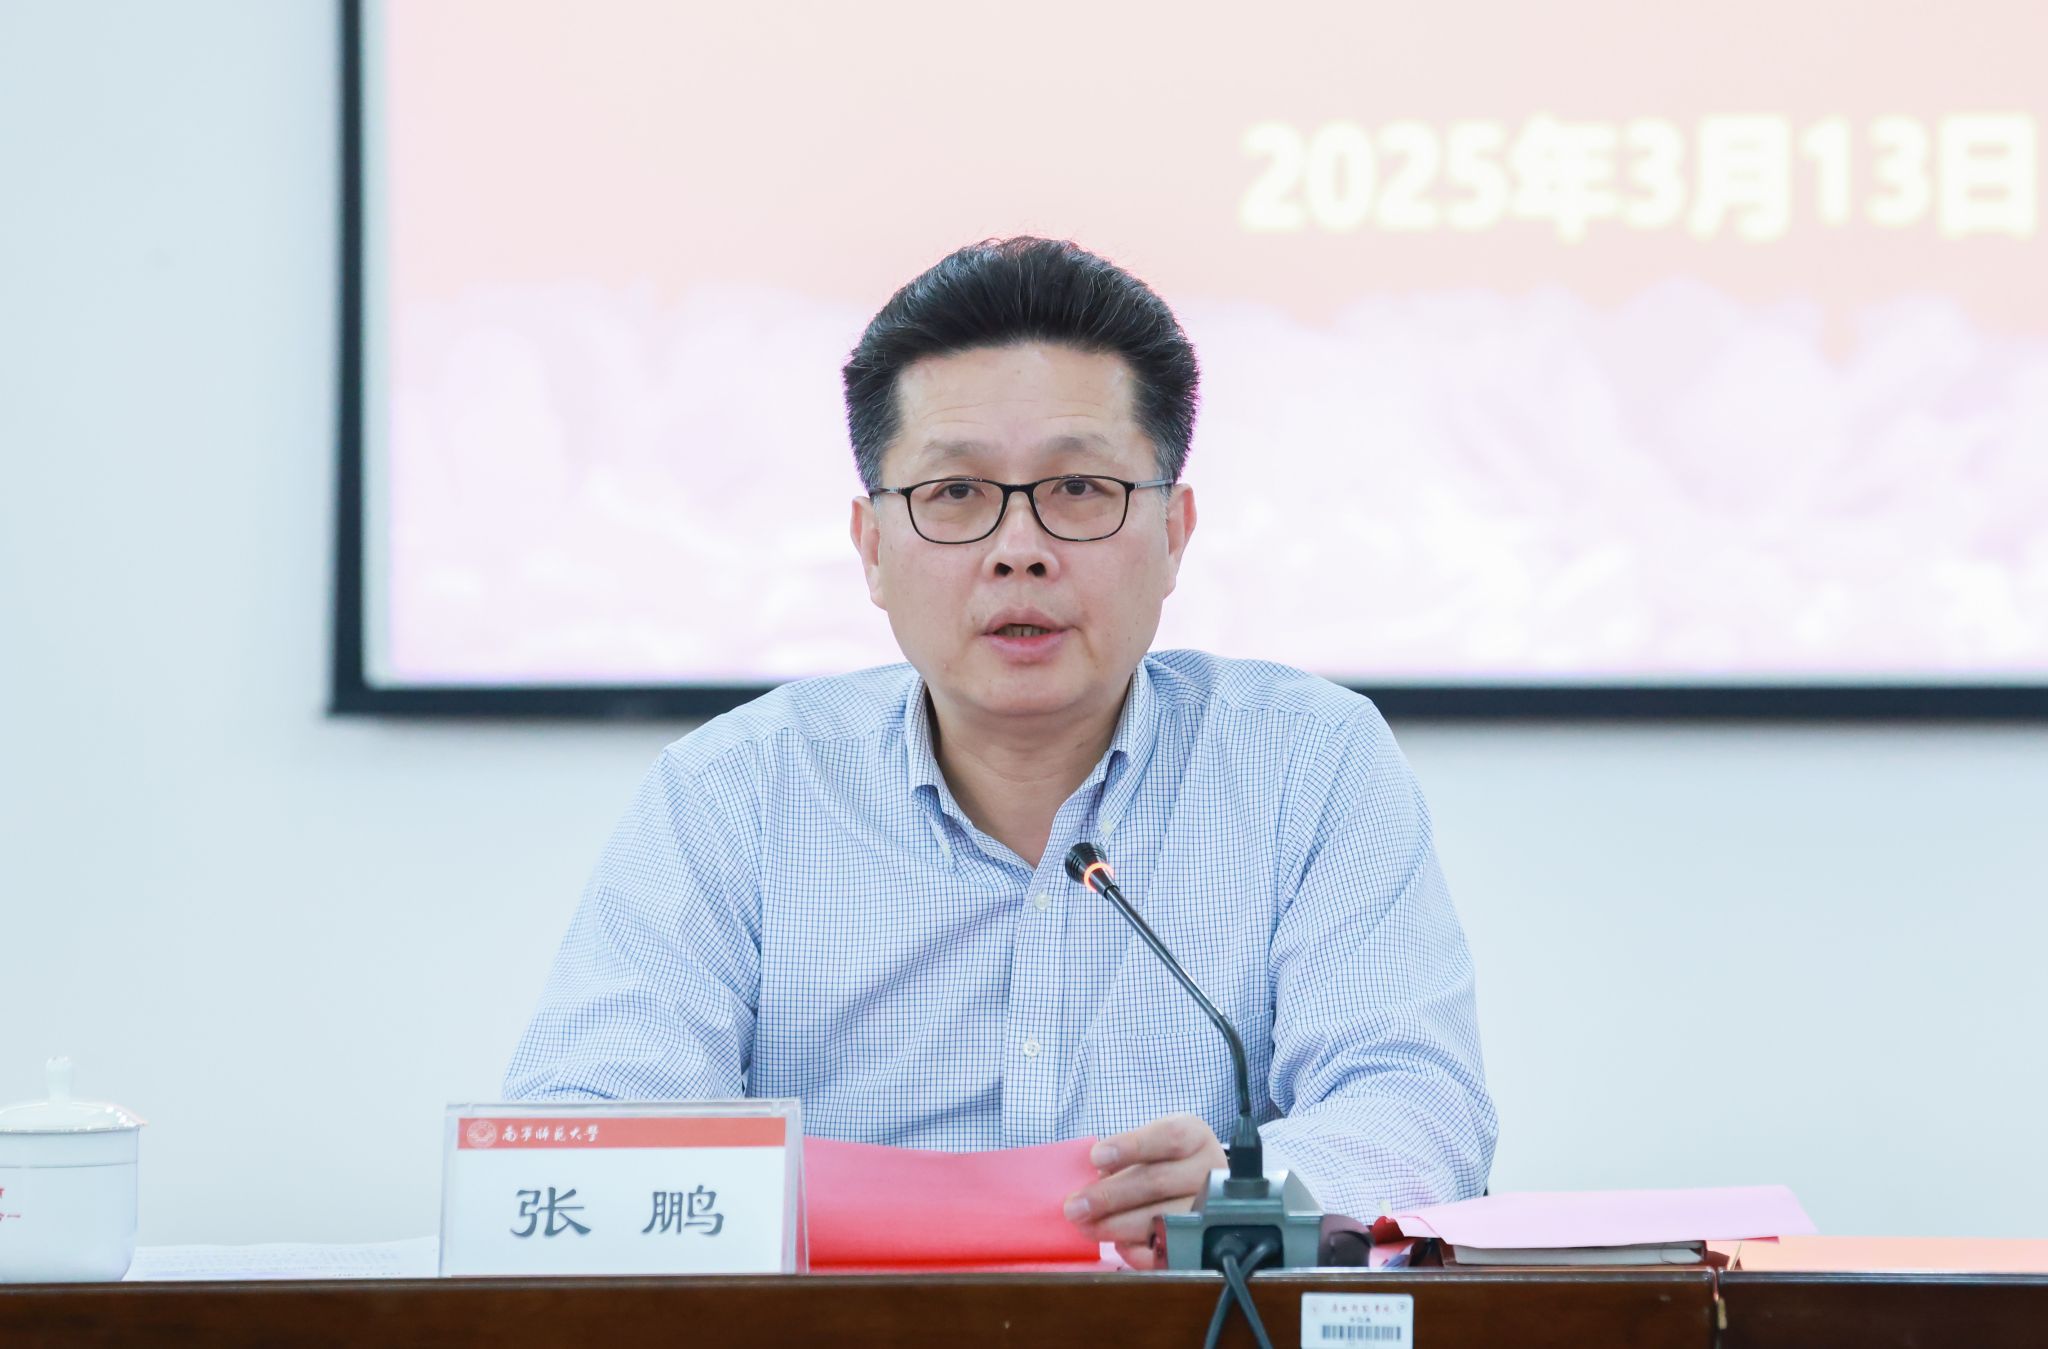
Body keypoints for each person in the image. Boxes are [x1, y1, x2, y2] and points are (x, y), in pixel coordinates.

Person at [505, 237, 1495, 1265]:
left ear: (1174, 533)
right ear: (871, 548)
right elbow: (588, 1130)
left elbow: (1416, 1104)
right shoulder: (734, 793)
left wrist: (1244, 1189)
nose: (1019, 549)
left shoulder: (1307, 764)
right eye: (955, 493)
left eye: (1080, 488)